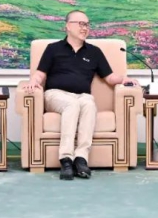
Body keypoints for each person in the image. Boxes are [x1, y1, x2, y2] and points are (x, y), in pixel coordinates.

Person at [23, 10, 139, 180]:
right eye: (81, 24)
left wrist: (124, 79)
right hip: (55, 95)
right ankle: (66, 159)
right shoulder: (53, 49)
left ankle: (81, 159)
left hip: (82, 95)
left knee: (89, 103)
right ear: (68, 26)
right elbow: (40, 73)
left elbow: (109, 77)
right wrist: (34, 81)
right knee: (72, 104)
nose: (85, 28)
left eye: (87, 25)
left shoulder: (94, 52)